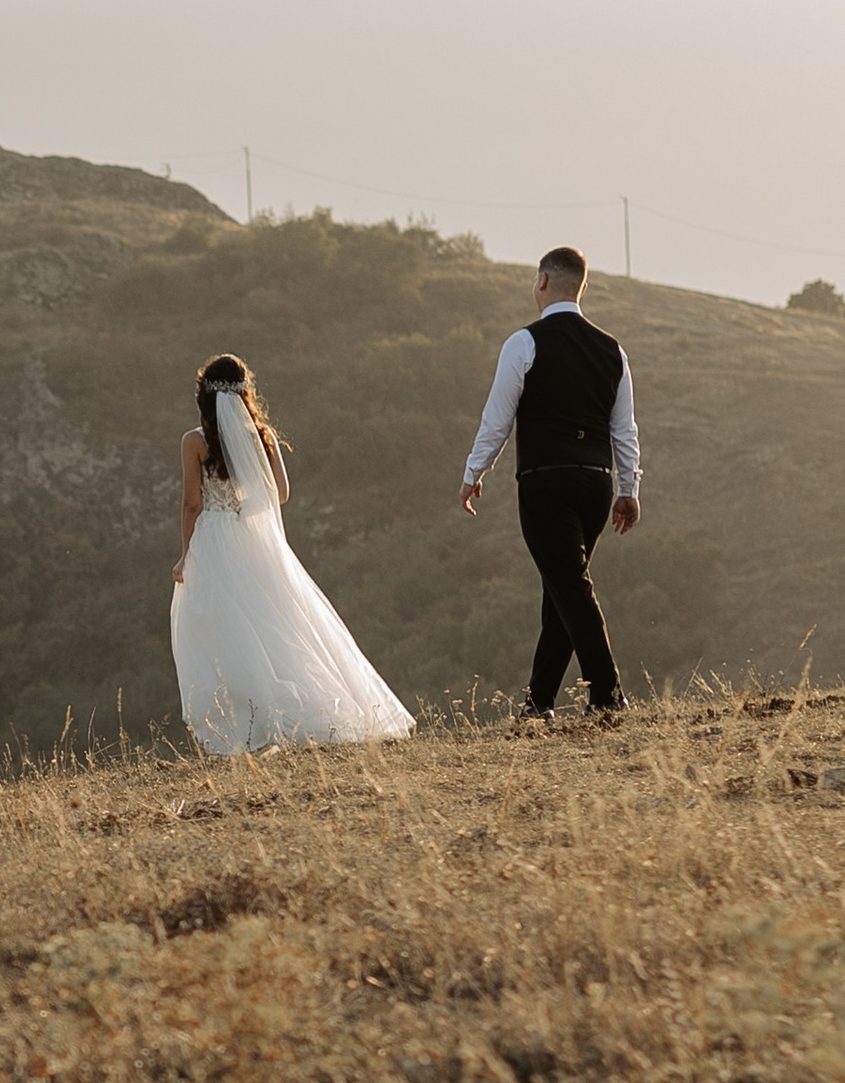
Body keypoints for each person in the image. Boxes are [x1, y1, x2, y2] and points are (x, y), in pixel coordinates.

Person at [172, 355, 415, 753]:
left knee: (224, 633)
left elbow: (190, 505)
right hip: (254, 541)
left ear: (203, 395)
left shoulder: (194, 441)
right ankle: (294, 715)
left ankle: (247, 728)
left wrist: (185, 556)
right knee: (277, 624)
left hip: (214, 540)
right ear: (244, 393)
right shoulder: (262, 436)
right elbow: (280, 494)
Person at [459, 246, 640, 726]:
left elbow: (497, 420)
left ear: (542, 283)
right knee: (561, 589)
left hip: (545, 481)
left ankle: (607, 693)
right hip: (597, 485)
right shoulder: (613, 350)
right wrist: (630, 490)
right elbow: (625, 429)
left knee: (570, 586)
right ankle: (537, 703)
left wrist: (473, 472)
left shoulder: (523, 343)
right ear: (583, 287)